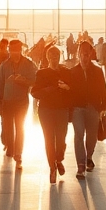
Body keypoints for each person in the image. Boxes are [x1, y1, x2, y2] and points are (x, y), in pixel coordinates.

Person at [31, 45, 73, 183]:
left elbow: (74, 89)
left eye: (57, 56)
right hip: (46, 110)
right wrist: (49, 89)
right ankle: (52, 167)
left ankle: (59, 159)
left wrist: (67, 88)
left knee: (61, 139)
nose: (55, 59)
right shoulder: (41, 74)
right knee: (49, 139)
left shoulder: (66, 72)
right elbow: (34, 92)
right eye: (52, 56)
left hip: (62, 110)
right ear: (48, 58)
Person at [68, 41, 106, 178]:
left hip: (93, 107)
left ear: (90, 54)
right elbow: (70, 91)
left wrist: (103, 107)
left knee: (91, 136)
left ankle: (89, 156)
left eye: (86, 54)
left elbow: (103, 90)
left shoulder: (97, 71)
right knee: (79, 134)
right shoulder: (73, 72)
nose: (84, 57)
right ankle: (81, 164)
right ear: (78, 54)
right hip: (77, 108)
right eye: (82, 54)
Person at [0, 39, 37, 169]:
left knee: (20, 126)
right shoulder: (4, 65)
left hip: (21, 101)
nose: (15, 53)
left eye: (17, 50)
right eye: (12, 50)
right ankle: (10, 146)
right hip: (7, 101)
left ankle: (18, 153)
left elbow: (35, 80)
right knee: (8, 127)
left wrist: (22, 80)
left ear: (21, 50)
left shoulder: (29, 64)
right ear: (9, 51)